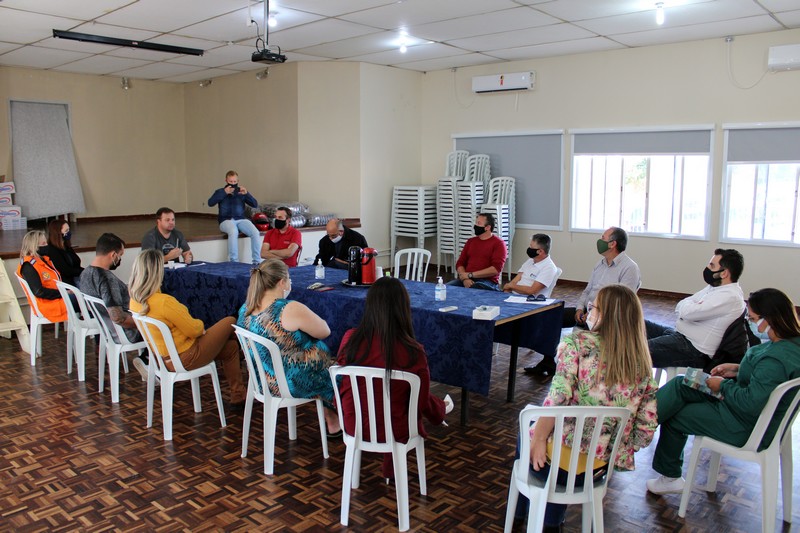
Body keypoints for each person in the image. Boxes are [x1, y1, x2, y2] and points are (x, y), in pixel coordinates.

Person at [522, 284, 658, 531]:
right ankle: (550, 521)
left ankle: (526, 514)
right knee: (558, 447)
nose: (589, 313)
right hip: (598, 469)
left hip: (556, 464)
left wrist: (540, 438)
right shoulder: (642, 363)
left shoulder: (577, 345)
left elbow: (558, 398)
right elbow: (646, 431)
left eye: (594, 307)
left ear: (606, 315)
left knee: (528, 432)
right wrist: (611, 443)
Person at [647, 288, 800, 495]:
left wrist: (723, 385)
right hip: (743, 409)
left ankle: (665, 471)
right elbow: (765, 381)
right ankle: (638, 424)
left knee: (675, 415)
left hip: (742, 422)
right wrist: (738, 370)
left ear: (770, 319)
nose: (750, 324)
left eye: (753, 319)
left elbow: (751, 402)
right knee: (683, 382)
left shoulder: (774, 361)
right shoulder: (791, 345)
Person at [337, 276, 449, 478]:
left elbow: (343, 384)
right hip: (396, 429)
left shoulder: (350, 339)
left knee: (381, 396)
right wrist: (437, 411)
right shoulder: (413, 351)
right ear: (403, 309)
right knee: (403, 399)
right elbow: (419, 402)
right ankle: (440, 410)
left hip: (353, 423)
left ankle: (439, 409)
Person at [129, 249, 246, 408]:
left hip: (163, 359)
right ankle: (249, 356)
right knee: (231, 320)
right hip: (186, 356)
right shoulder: (164, 302)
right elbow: (195, 330)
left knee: (230, 348)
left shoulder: (135, 301)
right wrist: (201, 327)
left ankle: (238, 395)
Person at [236, 258, 340, 433]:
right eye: (289, 279)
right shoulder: (288, 308)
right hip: (290, 383)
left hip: (262, 380)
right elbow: (324, 331)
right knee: (337, 371)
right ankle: (339, 422)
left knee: (322, 365)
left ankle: (333, 419)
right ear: (282, 282)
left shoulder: (246, 307)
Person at [527, 226, 640, 376]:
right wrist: (580, 308)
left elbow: (622, 303)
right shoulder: (600, 264)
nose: (599, 241)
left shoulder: (629, 268)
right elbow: (587, 290)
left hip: (608, 316)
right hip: (588, 310)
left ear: (613, 244)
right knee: (552, 317)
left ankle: (583, 370)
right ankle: (548, 362)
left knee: (583, 334)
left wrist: (595, 313)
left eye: (603, 238)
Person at [646, 249, 745, 369]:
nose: (707, 268)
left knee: (635, 351)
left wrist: (689, 306)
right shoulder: (715, 287)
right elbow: (683, 304)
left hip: (693, 350)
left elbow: (686, 313)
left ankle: (630, 376)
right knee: (636, 323)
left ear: (724, 273)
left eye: (712, 265)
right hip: (679, 335)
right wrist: (689, 306)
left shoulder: (729, 296)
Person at [79, 233, 148, 380]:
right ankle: (150, 363)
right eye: (120, 255)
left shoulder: (85, 273)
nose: (120, 259)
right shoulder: (106, 279)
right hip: (126, 332)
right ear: (113, 255)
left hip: (108, 330)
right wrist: (144, 323)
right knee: (165, 325)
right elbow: (118, 318)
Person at [208, 170, 262, 265]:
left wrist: (247, 194)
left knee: (255, 232)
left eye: (235, 181)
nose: (233, 184)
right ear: (226, 180)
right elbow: (210, 203)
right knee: (233, 231)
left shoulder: (241, 192)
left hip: (241, 219)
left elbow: (255, 204)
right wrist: (224, 192)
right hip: (225, 220)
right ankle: (234, 262)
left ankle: (257, 261)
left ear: (238, 181)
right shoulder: (220, 191)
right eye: (230, 181)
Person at [16, 230, 67, 323]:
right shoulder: (28, 266)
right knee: (84, 301)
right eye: (43, 244)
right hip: (47, 304)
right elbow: (39, 292)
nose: (47, 246)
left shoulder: (43, 260)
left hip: (56, 299)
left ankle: (85, 327)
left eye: (46, 243)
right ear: (33, 247)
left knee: (84, 298)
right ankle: (86, 328)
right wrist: (63, 293)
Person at [449, 213, 507, 291]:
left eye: (478, 223)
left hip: (487, 281)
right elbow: (460, 263)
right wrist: (465, 278)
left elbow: (495, 269)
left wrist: (470, 275)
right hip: (467, 278)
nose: (475, 226)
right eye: (476, 223)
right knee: (446, 288)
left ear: (487, 227)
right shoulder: (471, 241)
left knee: (476, 287)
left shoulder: (499, 244)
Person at [502, 233, 558, 297]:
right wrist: (507, 290)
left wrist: (511, 286)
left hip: (528, 299)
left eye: (531, 247)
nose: (529, 249)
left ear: (540, 251)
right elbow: (515, 280)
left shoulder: (549, 268)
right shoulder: (530, 261)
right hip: (513, 295)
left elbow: (531, 291)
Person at [38, 219, 83, 288]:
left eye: (69, 230)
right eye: (66, 230)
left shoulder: (66, 246)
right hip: (68, 283)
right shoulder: (52, 250)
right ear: (58, 233)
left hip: (76, 277)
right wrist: (84, 271)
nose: (69, 232)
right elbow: (66, 271)